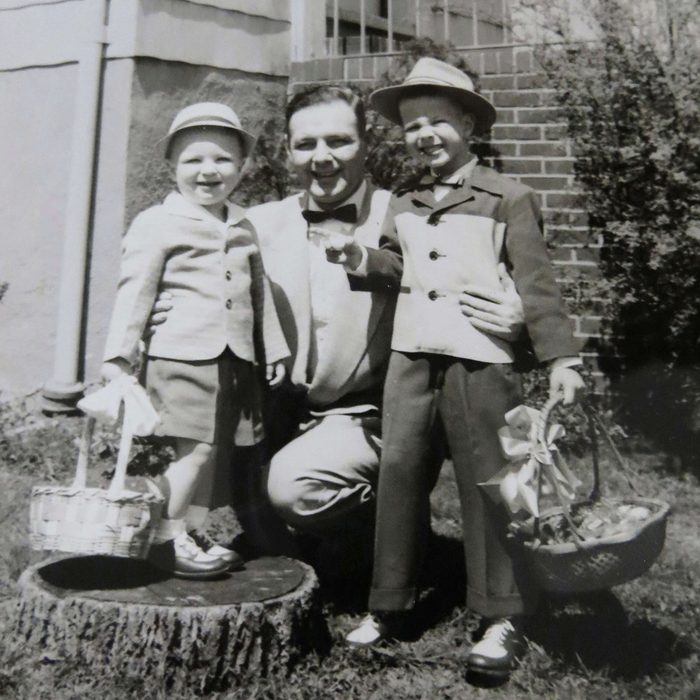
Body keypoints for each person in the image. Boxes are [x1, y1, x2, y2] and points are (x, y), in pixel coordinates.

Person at [149, 86, 526, 571]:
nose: (322, 158)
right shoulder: (254, 225)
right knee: (209, 461)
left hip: (373, 415)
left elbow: (491, 282)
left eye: (338, 142)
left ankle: (383, 533)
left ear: (365, 145)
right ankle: (283, 537)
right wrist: (163, 310)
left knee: (293, 489)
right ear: (287, 151)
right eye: (306, 144)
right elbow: (182, 274)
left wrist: (517, 318)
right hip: (277, 409)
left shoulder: (411, 215)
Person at [340, 58, 585, 677]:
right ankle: (388, 603)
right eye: (413, 125)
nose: (424, 135)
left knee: (490, 480)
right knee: (397, 473)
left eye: (439, 122)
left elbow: (537, 285)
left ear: (470, 126)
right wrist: (361, 256)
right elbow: (397, 267)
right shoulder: (405, 200)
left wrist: (559, 356)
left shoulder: (509, 197)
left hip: (481, 357)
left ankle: (501, 613)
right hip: (413, 356)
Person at [102, 102, 289, 579]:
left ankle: (187, 530)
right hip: (181, 354)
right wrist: (119, 356)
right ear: (171, 167)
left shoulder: (243, 224)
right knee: (197, 449)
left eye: (223, 159)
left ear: (242, 166)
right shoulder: (157, 223)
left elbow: (258, 290)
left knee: (217, 451)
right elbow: (135, 290)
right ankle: (162, 536)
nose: (209, 171)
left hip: (235, 360)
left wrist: (274, 349)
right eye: (193, 160)